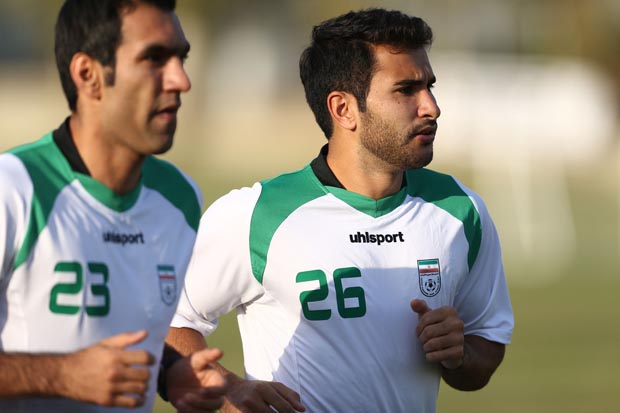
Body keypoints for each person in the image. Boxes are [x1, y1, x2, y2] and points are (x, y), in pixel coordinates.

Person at [168, 8, 514, 413]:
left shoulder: (459, 210)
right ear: (343, 109)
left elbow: (485, 347)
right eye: (406, 90)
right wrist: (228, 388)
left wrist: (460, 354)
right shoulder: (256, 214)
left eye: (429, 86)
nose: (431, 107)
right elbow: (168, 322)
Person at [0, 0, 227, 412]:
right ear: (88, 75)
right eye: (154, 59)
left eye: (181, 58)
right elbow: (75, 367)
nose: (181, 80)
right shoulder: (13, 189)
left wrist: (170, 373)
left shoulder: (179, 199)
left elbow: (130, 334)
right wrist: (61, 376)